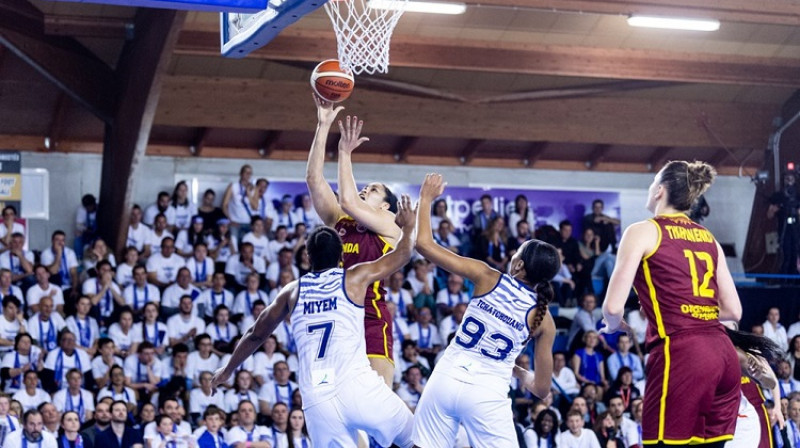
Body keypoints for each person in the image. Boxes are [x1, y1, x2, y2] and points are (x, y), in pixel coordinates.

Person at [212, 194, 417, 447]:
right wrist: (408, 227)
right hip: (357, 388)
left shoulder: (291, 291)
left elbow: (256, 334)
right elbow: (404, 253)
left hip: (318, 400)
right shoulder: (354, 277)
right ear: (341, 256)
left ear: (307, 257)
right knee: (418, 440)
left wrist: (228, 370)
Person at [412, 173, 560, 447]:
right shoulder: (544, 319)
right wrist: (515, 370)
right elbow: (541, 388)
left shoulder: (487, 275)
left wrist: (425, 199)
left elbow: (423, 245)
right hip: (487, 392)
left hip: (446, 376)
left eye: (517, 252)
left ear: (518, 266)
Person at [602, 160, 742, 447]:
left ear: (660, 191)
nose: (650, 186)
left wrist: (614, 325)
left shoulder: (642, 231)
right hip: (723, 355)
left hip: (682, 354)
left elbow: (613, 308)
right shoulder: (709, 238)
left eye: (653, 181)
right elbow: (734, 311)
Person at [305, 97, 402, 386]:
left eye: (372, 190)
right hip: (335, 317)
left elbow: (347, 198)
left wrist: (345, 152)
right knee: (334, 399)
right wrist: (323, 127)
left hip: (371, 319)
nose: (363, 190)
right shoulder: (339, 219)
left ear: (385, 206)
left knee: (378, 403)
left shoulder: (391, 225)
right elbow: (313, 179)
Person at [221, 165, 255, 240]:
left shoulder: (253, 188)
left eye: (250, 173)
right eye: (246, 172)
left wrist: (249, 193)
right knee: (234, 245)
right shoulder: (233, 186)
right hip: (235, 222)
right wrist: (230, 219)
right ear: (241, 173)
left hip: (248, 222)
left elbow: (255, 207)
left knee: (247, 247)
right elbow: (224, 205)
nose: (248, 175)